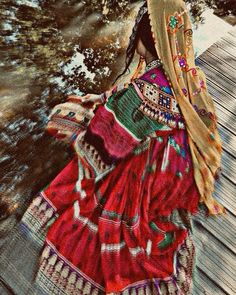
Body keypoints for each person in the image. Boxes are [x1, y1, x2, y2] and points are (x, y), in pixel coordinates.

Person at [0, 0, 224, 294]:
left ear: (148, 39)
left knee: (75, 143)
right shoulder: (192, 80)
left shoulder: (143, 92)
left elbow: (99, 151)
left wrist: (78, 123)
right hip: (180, 178)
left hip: (149, 185)